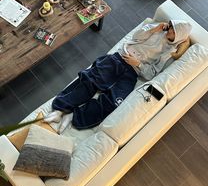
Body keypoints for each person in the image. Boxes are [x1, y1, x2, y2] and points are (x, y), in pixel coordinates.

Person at [44, 20, 192, 133]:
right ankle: (61, 109)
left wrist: (138, 64)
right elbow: (136, 36)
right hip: (119, 59)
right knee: (91, 80)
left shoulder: (169, 52)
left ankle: (74, 117)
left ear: (178, 37)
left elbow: (152, 73)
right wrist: (154, 29)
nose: (170, 30)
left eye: (173, 30)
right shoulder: (157, 29)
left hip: (133, 73)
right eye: (171, 26)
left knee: (115, 102)